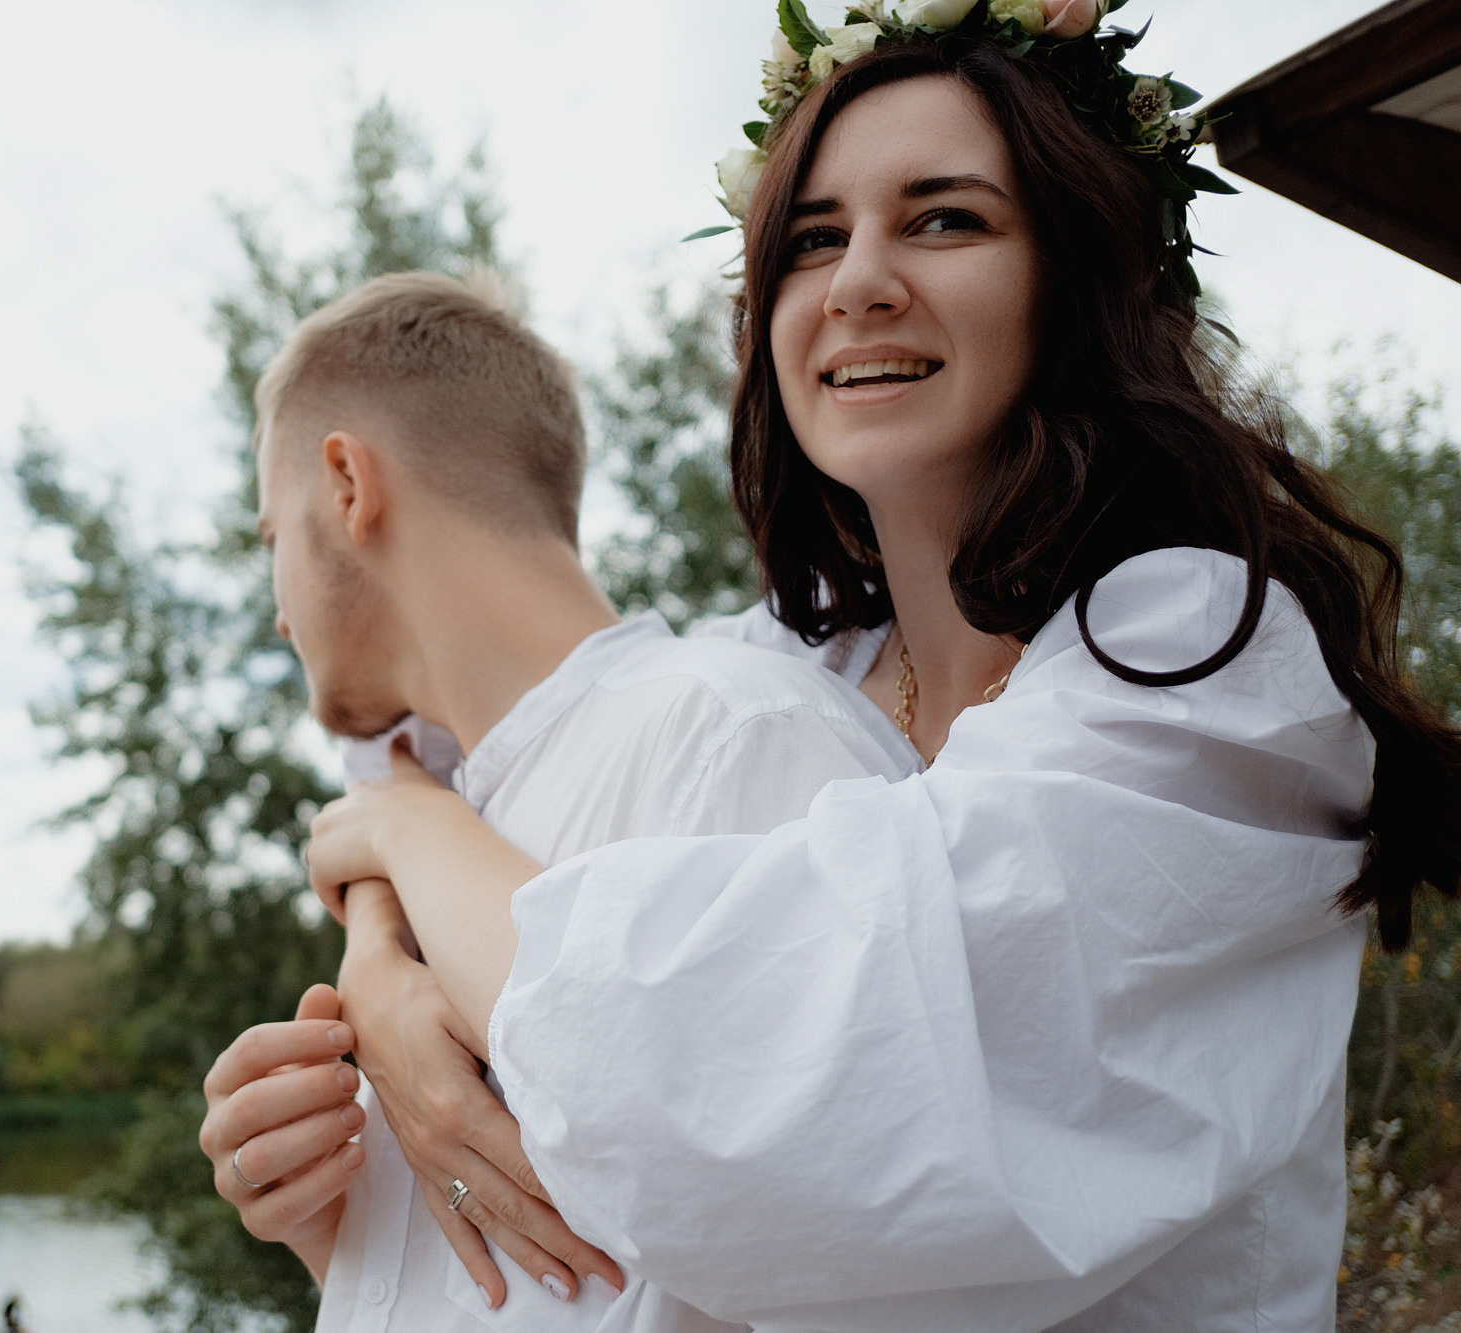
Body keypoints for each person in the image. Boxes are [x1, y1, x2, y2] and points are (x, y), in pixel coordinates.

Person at [288, 5, 1461, 1331]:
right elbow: (500, 770)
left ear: (1074, 278)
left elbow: (771, 1088)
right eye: (814, 238)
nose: (858, 282)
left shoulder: (1202, 662)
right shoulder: (791, 665)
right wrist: (382, 982)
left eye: (945, 219)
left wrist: (409, 830)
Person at [194, 269, 918, 1330]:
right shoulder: (441, 835)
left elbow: (856, 1254)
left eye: (270, 540)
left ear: (345, 483)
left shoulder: (734, 743)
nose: (276, 616)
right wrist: (335, 1227)